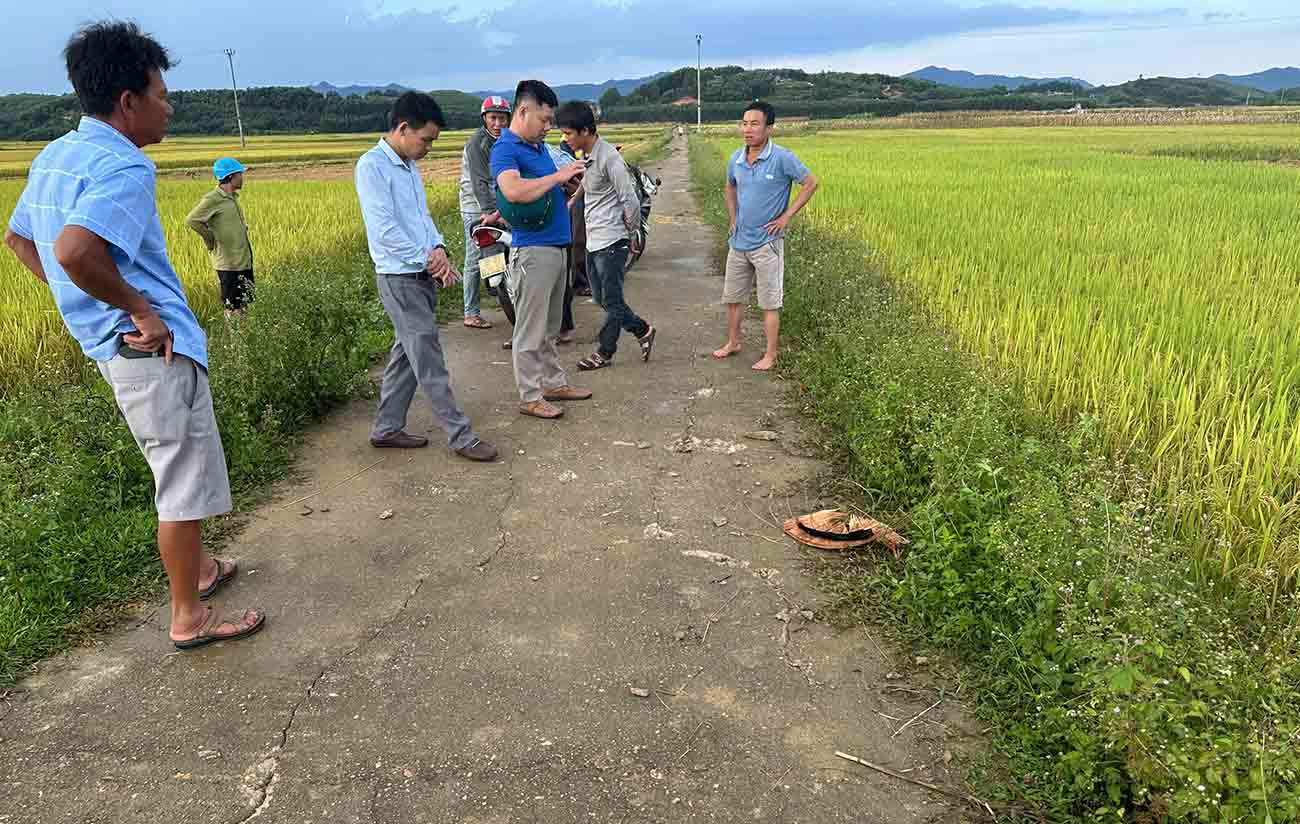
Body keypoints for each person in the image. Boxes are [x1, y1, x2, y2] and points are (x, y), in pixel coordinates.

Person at [2, 21, 264, 650]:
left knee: (173, 466)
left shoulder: (58, 153)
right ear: (129, 101)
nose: (169, 106)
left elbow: (20, 239)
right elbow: (73, 251)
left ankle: (199, 570)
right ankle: (188, 617)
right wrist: (138, 310)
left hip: (114, 346)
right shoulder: (124, 166)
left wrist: (84, 308)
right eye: (162, 94)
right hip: (149, 350)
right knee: (180, 479)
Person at [356, 91, 497, 461]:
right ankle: (461, 435)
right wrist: (428, 258)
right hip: (399, 277)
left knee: (408, 353)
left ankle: (386, 428)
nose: (428, 148)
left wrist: (438, 249)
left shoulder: (408, 166)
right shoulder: (372, 167)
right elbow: (384, 230)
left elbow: (422, 219)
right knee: (429, 358)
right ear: (403, 128)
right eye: (426, 140)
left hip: (420, 273)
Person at [490, 80, 592, 420]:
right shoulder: (506, 149)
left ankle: (553, 383)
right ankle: (530, 395)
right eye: (544, 119)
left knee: (549, 327)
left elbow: (545, 194)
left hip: (555, 247)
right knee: (530, 331)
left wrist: (568, 186)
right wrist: (557, 176)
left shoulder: (536, 149)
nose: (549, 127)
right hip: (532, 251)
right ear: (523, 111)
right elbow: (514, 190)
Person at [711, 100, 819, 371]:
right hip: (739, 242)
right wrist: (733, 218)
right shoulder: (736, 157)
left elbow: (810, 183)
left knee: (770, 302)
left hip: (767, 244)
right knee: (733, 298)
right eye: (744, 123)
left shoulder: (782, 157)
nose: (748, 129)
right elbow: (729, 186)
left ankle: (771, 354)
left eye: (755, 124)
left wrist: (786, 217)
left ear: (769, 127)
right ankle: (734, 342)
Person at [556, 101, 656, 371]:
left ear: (586, 130)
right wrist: (571, 201)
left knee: (611, 299)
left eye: (568, 133)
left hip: (613, 240)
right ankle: (641, 330)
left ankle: (607, 349)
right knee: (601, 298)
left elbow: (629, 199)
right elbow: (588, 184)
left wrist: (632, 235)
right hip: (594, 238)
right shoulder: (587, 156)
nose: (564, 139)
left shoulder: (609, 157)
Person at [458, 95, 510, 330]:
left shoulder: (505, 139)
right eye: (493, 118)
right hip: (475, 206)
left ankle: (498, 291)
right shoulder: (478, 144)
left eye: (502, 118)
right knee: (474, 257)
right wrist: (491, 214)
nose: (498, 124)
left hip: (495, 203)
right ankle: (471, 312)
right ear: (484, 119)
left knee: (495, 249)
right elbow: (480, 182)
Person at [185, 157, 254, 318]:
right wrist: (211, 239)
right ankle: (236, 342)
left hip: (242, 259)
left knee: (244, 303)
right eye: (239, 174)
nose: (242, 177)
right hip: (228, 263)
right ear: (230, 177)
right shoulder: (213, 198)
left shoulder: (233, 198)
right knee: (232, 306)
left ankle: (244, 339)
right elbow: (192, 220)